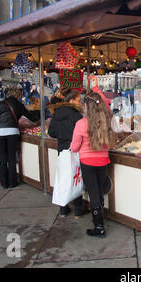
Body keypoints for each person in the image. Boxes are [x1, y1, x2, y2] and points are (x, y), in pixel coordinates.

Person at [71, 86, 114, 238]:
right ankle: (100, 216)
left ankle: (99, 226)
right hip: (103, 160)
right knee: (100, 190)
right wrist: (97, 89)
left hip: (87, 162)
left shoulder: (81, 124)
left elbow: (74, 147)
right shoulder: (107, 121)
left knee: (93, 192)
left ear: (86, 106)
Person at [48, 88, 89, 219]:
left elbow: (51, 132)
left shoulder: (57, 113)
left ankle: (63, 210)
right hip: (75, 150)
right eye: (78, 100)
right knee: (76, 177)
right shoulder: (76, 116)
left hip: (61, 150)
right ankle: (77, 210)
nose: (80, 103)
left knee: (63, 178)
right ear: (71, 100)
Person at [0, 88, 39, 189]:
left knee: (2, 158)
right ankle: (12, 182)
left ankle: (4, 183)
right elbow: (32, 117)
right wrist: (37, 110)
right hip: (12, 131)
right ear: (18, 94)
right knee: (11, 158)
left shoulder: (1, 104)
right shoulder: (18, 105)